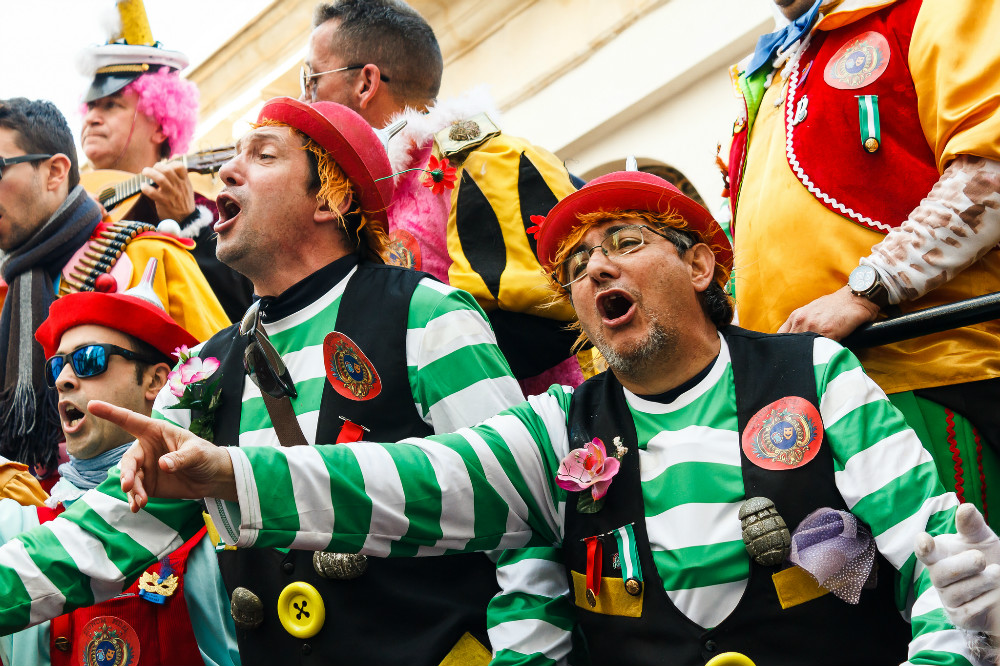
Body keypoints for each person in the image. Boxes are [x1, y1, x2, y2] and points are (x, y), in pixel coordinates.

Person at [104, 168, 974, 665]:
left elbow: (937, 564)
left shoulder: (814, 373)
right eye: (576, 268)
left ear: (704, 265)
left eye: (624, 245)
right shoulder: (558, 425)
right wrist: (228, 472)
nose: (596, 273)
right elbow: (421, 479)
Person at [0, 97, 533, 666]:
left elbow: (521, 505)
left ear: (331, 198)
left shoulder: (429, 314)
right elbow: (100, 536)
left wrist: (528, 657)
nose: (226, 171)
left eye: (262, 155)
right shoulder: (201, 374)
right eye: (234, 156)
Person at [725, 0, 1000, 527]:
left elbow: (988, 167)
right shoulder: (772, 67)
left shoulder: (919, 10)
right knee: (878, 605)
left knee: (965, 587)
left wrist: (867, 291)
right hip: (804, 411)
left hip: (925, 375)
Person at [304, 0, 584, 394]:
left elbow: (552, 317)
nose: (307, 99)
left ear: (365, 83)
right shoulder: (357, 197)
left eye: (312, 79)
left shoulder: (477, 162)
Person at [0, 274, 237, 666]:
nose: (62, 379)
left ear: (157, 380)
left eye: (89, 360)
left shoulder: (217, 518)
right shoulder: (19, 521)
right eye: (56, 366)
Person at [0, 97, 228, 481]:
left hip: (155, 500)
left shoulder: (147, 254)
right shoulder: (8, 298)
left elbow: (224, 383)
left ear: (56, 171)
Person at [80, 36, 254, 321]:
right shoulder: (73, 196)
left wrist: (189, 223)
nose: (91, 118)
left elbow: (245, 311)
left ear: (160, 124)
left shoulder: (212, 213)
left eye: (111, 105)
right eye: (91, 107)